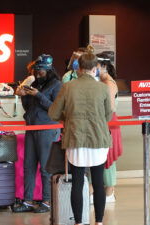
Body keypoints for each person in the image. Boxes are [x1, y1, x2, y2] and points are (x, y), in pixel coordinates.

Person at [48, 52, 112, 225]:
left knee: (77, 181)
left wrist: (67, 118)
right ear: (95, 68)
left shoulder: (68, 86)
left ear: (79, 68)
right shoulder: (103, 87)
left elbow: (53, 113)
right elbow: (108, 115)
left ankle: (78, 222)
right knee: (98, 182)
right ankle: (98, 222)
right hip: (98, 138)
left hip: (75, 138)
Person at [12, 54, 62, 213]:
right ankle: (27, 201)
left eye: (41, 71)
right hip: (31, 128)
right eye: (36, 71)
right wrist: (24, 96)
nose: (37, 74)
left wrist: (38, 95)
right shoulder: (34, 83)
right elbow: (29, 108)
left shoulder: (57, 85)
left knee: (46, 167)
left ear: (48, 70)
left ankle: (47, 201)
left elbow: (55, 108)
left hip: (47, 129)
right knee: (29, 166)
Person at [96, 52, 123, 203]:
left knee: (108, 160)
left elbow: (110, 108)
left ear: (104, 66)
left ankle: (109, 193)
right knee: (101, 158)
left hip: (109, 124)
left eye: (97, 66)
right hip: (103, 123)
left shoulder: (109, 84)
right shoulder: (102, 82)